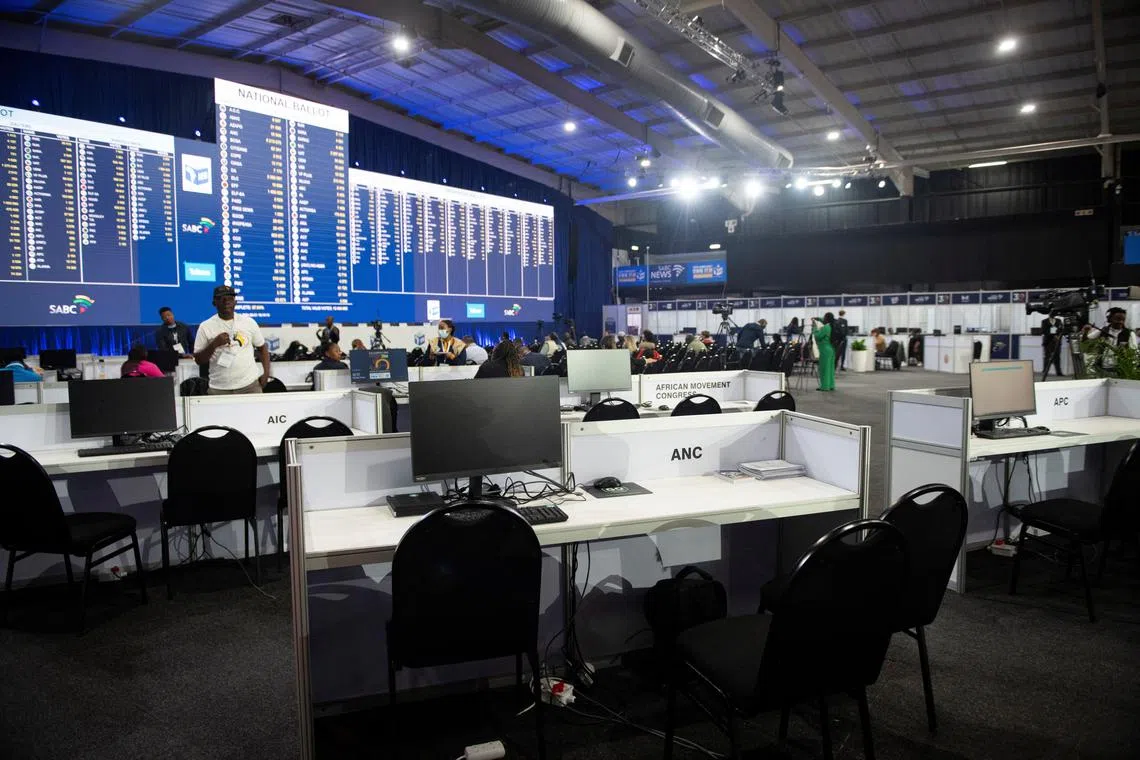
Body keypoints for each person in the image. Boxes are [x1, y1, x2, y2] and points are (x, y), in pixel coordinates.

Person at [193, 285, 270, 395]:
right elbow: (198, 360)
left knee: (255, 412)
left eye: (230, 299)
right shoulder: (205, 326)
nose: (226, 302)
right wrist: (214, 344)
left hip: (249, 386)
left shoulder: (249, 322)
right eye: (221, 299)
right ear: (214, 303)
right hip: (219, 388)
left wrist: (266, 374)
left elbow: (262, 349)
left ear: (235, 302)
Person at [1083, 307, 1137, 373]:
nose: (1120, 322)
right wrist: (1086, 331)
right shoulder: (1103, 330)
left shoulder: (1129, 333)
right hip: (1102, 368)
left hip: (1121, 369)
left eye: (1123, 319)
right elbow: (1085, 341)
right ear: (1109, 319)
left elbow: (1134, 352)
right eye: (1117, 319)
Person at [813, 314, 836, 391]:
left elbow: (818, 336)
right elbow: (822, 320)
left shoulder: (826, 327)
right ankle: (831, 385)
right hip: (831, 349)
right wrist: (818, 318)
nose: (823, 319)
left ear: (827, 319)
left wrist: (814, 328)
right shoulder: (831, 326)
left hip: (824, 350)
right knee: (830, 369)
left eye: (824, 317)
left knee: (824, 369)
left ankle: (825, 386)